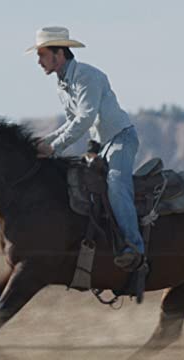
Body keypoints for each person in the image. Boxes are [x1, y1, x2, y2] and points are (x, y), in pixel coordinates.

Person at [27, 26, 145, 271]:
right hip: (101, 145)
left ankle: (134, 248)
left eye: (42, 54)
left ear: (58, 54)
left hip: (121, 139)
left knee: (115, 182)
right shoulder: (62, 85)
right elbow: (72, 122)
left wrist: (55, 147)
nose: (38, 61)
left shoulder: (86, 76)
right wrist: (46, 143)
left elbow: (85, 119)